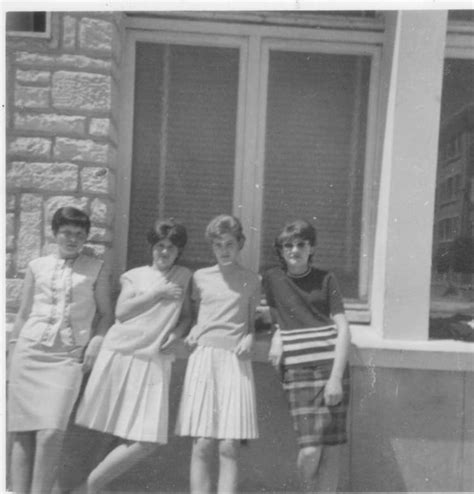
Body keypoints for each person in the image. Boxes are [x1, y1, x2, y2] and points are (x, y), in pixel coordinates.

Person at [74, 218, 192, 493]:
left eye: (171, 248)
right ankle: (91, 487)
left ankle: (88, 486)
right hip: (121, 355)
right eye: (160, 245)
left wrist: (176, 335)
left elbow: (186, 317)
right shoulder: (134, 275)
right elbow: (122, 312)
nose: (164, 252)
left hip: (153, 360)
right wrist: (158, 292)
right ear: (152, 247)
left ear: (179, 252)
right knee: (110, 428)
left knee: (147, 439)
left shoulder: (184, 276)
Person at [7, 206, 114, 494]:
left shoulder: (96, 268)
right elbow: (24, 313)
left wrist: (96, 341)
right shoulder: (36, 266)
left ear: (86, 238)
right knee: (22, 433)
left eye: (79, 234)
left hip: (67, 358)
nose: (72, 239)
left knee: (51, 433)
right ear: (54, 233)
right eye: (66, 232)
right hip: (28, 353)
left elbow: (106, 314)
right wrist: (11, 356)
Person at [262, 219, 351, 493]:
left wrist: (336, 377)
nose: (294, 250)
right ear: (281, 250)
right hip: (298, 371)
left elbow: (343, 327)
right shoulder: (272, 279)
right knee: (311, 450)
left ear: (311, 248)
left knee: (331, 451)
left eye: (301, 244)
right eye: (288, 245)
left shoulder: (326, 278)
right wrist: (277, 336)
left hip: (331, 369)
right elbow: (277, 316)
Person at [175, 214, 260, 494]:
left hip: (234, 361)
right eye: (218, 245)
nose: (224, 250)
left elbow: (253, 323)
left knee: (229, 445)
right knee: (203, 443)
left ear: (240, 244)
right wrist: (192, 331)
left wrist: (250, 338)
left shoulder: (251, 279)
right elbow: (194, 317)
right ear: (211, 247)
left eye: (229, 243)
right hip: (205, 358)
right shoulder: (200, 277)